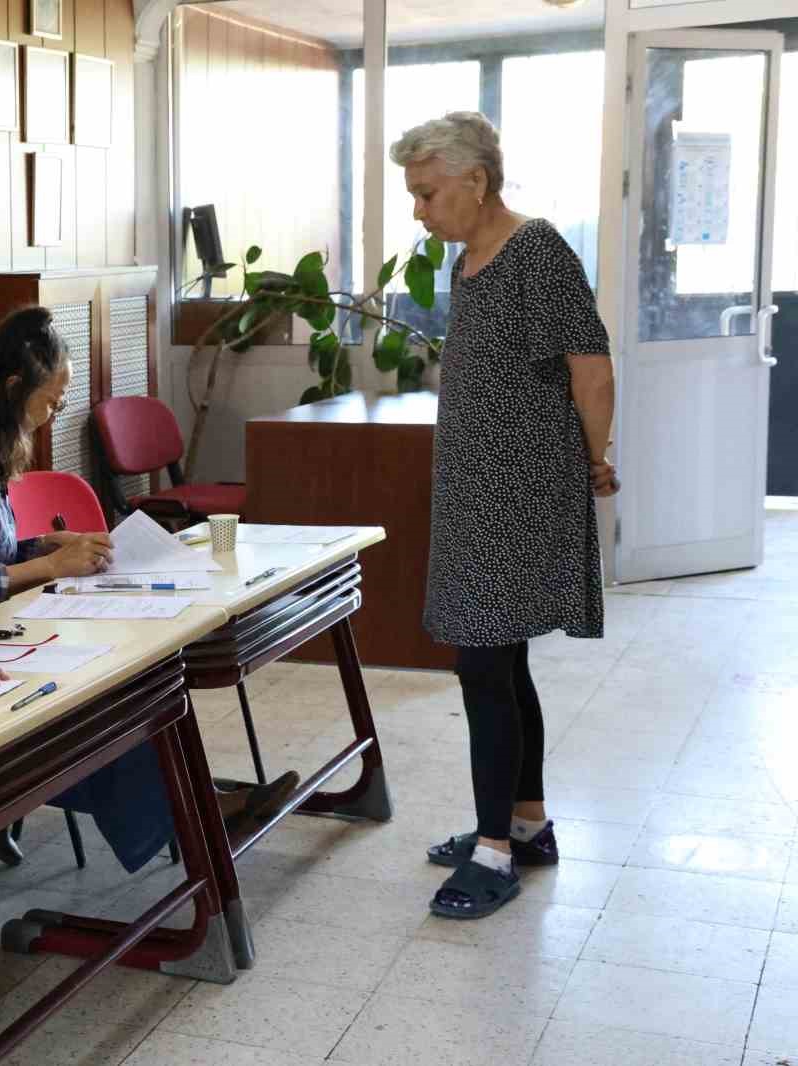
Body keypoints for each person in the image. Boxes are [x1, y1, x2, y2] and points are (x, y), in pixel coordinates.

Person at [0, 307, 296, 887]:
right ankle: (190, 819)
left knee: (131, 688)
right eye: (52, 400)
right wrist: (48, 565)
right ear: (14, 388)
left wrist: (41, 545)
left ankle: (197, 804)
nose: (57, 412)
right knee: (101, 713)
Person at [388, 112, 618, 920]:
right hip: (474, 490)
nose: (419, 211)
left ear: (475, 181)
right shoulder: (470, 262)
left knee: (484, 667)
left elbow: (590, 367)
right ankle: (527, 826)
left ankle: (494, 853)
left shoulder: (539, 249)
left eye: (426, 193)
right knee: (498, 662)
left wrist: (596, 460)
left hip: (519, 491)